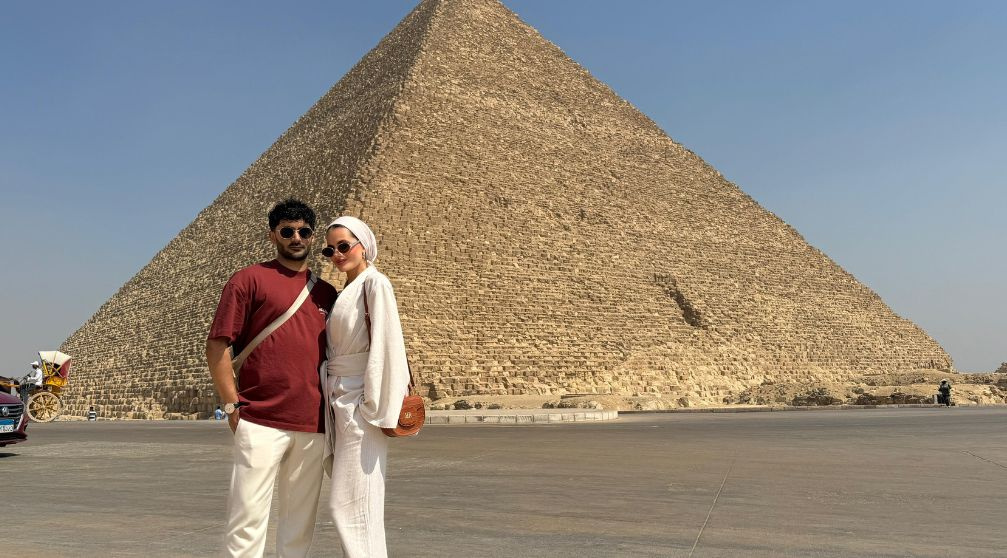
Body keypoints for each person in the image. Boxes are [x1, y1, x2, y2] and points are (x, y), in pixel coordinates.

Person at [205, 198, 338, 557]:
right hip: (259, 418)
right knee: (247, 519)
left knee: (299, 525)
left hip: (312, 424)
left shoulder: (327, 294)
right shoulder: (248, 280)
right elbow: (217, 345)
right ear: (272, 235)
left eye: (304, 232)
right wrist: (231, 405)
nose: (296, 238)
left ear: (313, 237)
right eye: (287, 231)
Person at [321, 216, 410, 558]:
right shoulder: (347, 290)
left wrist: (374, 406)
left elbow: (388, 345)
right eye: (330, 249)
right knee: (355, 509)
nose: (337, 254)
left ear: (364, 245)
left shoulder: (376, 284)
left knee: (350, 508)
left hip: (362, 405)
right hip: (340, 399)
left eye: (344, 246)